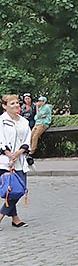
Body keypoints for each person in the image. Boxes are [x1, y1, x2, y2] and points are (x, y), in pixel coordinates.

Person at [1, 94, 33, 228]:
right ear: (4, 106)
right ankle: (12, 218)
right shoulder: (1, 121)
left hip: (20, 159)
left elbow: (27, 139)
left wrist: (19, 153)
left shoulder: (24, 122)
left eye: (17, 103)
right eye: (12, 103)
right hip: (4, 161)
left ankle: (11, 217)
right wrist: (9, 154)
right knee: (11, 189)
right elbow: (1, 140)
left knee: (19, 189)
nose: (16, 106)